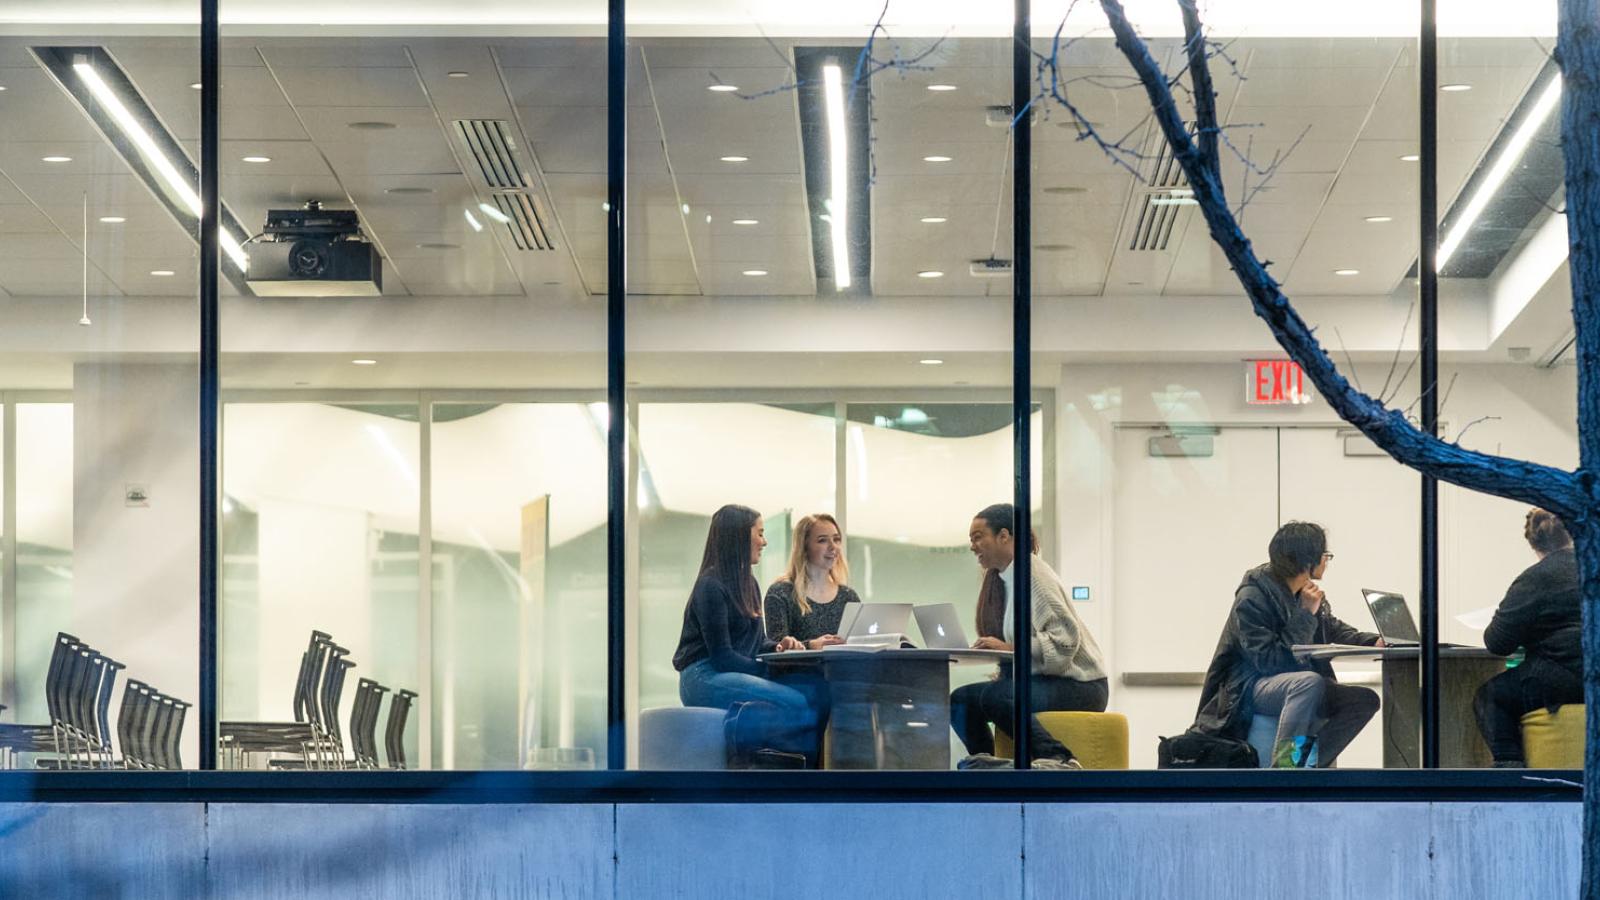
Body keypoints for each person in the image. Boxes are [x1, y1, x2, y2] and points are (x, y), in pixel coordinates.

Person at [1192, 521, 1382, 768]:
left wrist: (1374, 641)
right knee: (1308, 683)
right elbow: (1269, 661)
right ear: (1308, 560)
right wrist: (1304, 614)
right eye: (1325, 555)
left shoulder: (1304, 592)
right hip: (1248, 687)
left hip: (1288, 683)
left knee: (1364, 700)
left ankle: (1306, 766)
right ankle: (1286, 770)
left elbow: (1331, 627)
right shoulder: (1252, 597)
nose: (1327, 561)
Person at [950, 503, 1109, 767]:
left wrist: (1009, 649)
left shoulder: (1033, 575)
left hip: (1083, 686)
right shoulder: (1008, 580)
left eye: (978, 537)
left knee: (997, 695)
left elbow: (1066, 640)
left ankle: (1059, 757)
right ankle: (986, 762)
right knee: (960, 700)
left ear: (1004, 536)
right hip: (1053, 681)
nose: (972, 546)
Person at [672, 504, 819, 763]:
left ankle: (759, 757)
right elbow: (723, 657)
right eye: (759, 533)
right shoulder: (711, 585)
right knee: (796, 701)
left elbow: (757, 641)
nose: (764, 541)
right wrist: (771, 671)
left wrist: (777, 647)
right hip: (703, 676)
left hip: (727, 672)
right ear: (739, 536)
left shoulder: (748, 582)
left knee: (808, 695)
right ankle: (754, 757)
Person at [1473, 508, 1582, 768]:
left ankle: (1510, 770)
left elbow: (1498, 643)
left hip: (1563, 678)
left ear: (1533, 542)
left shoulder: (1536, 577)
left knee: (1490, 697)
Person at [764, 513, 861, 650]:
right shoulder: (780, 593)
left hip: (842, 670)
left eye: (837, 539)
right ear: (804, 548)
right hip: (800, 670)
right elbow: (777, 650)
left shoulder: (848, 596)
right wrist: (811, 645)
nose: (833, 547)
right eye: (823, 540)